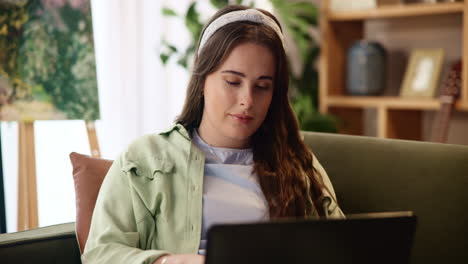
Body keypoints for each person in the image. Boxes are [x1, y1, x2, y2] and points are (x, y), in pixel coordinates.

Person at [82, 5, 344, 264]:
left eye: (262, 86)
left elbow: (342, 246)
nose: (247, 100)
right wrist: (172, 262)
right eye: (232, 82)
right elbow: (100, 254)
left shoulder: (297, 163)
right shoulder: (144, 158)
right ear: (202, 80)